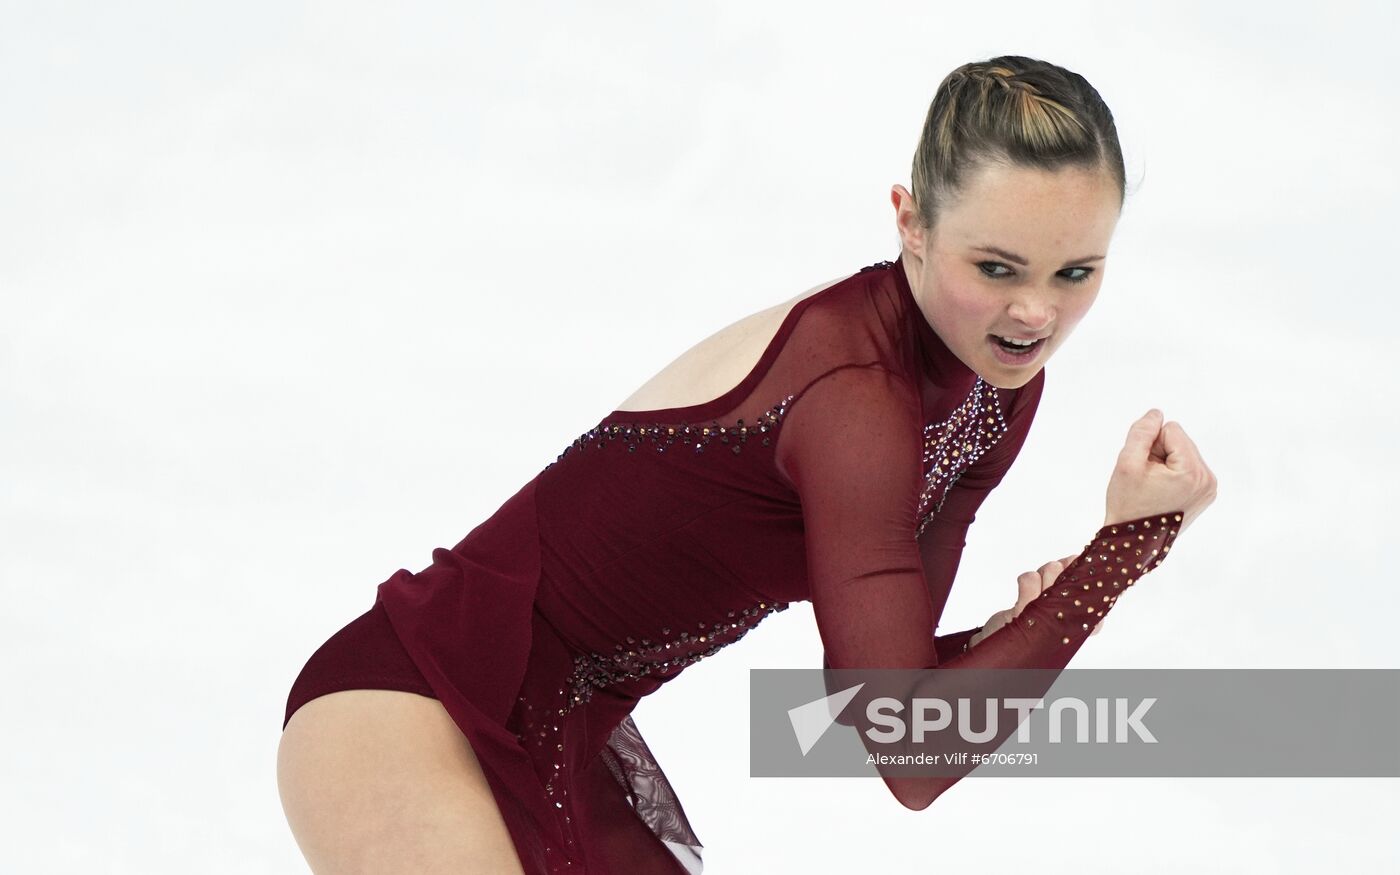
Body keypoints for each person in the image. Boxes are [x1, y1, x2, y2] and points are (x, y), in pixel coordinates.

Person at [275, 54, 1217, 874]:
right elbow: (914, 754)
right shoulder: (858, 398)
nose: (1034, 317)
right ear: (910, 223)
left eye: (1075, 273)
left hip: (553, 735)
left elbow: (878, 705)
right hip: (407, 712)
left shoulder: (991, 388)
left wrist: (1024, 626)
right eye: (998, 268)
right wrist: (1118, 554)